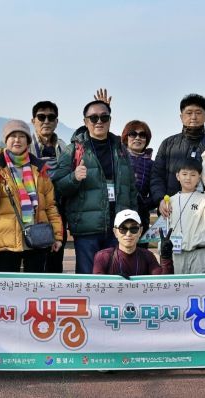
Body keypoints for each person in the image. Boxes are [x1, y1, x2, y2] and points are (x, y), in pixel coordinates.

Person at [53, 100, 138, 274]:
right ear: (85, 121)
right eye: (93, 118)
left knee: (117, 278)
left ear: (110, 120)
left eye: (104, 117)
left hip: (118, 228)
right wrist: (74, 178)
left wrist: (133, 220)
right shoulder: (73, 150)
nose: (99, 121)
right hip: (87, 230)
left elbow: (131, 189)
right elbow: (58, 187)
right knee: (89, 279)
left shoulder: (121, 150)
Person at [0, 120, 63, 272]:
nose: (17, 140)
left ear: (28, 141)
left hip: (37, 238)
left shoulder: (39, 168)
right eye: (13, 136)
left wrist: (57, 236)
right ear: (6, 140)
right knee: (6, 285)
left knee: (34, 284)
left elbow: (50, 205)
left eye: (22, 136)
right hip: (5, 240)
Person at [150, 94, 205, 218]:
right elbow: (156, 176)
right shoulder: (168, 144)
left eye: (198, 112)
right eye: (189, 113)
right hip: (173, 211)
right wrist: (160, 200)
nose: (193, 117)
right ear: (181, 117)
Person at [167, 158, 205, 274]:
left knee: (198, 283)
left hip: (199, 252)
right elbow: (165, 226)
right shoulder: (170, 201)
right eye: (184, 174)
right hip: (177, 252)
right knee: (178, 283)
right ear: (177, 176)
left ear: (199, 178)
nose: (188, 178)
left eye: (193, 175)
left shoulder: (204, 198)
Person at [30, 101, 67, 273]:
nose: (46, 121)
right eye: (41, 117)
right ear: (33, 121)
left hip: (58, 208)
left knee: (55, 258)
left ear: (56, 122)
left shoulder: (64, 147)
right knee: (34, 260)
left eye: (51, 117)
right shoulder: (25, 145)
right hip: (32, 209)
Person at [92, 210, 173, 278]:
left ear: (140, 231)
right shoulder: (103, 257)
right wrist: (115, 281)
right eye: (123, 229)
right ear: (115, 232)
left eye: (134, 229)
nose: (128, 234)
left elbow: (163, 284)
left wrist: (166, 257)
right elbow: (97, 287)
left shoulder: (148, 256)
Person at [121, 120, 155, 244]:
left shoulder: (153, 164)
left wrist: (144, 204)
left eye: (142, 135)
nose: (137, 138)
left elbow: (155, 190)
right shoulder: (117, 159)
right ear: (126, 137)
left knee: (141, 252)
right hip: (118, 215)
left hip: (141, 217)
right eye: (132, 134)